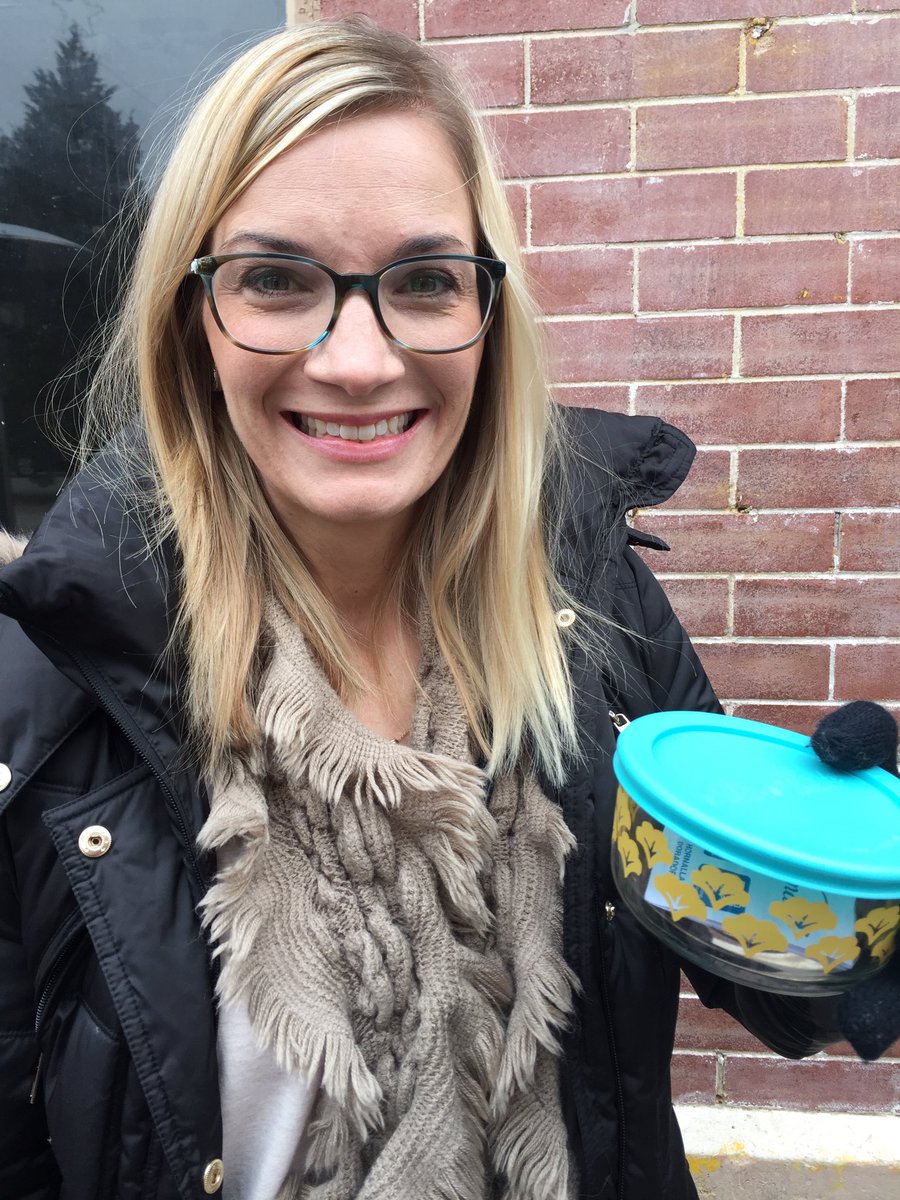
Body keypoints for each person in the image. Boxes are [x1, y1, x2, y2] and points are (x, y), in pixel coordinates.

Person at [0, 18, 846, 1200]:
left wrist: (849, 889)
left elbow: (759, 955)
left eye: (426, 280)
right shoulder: (48, 693)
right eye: (276, 279)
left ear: (487, 317)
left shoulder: (595, 602)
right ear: (193, 317)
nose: (357, 360)